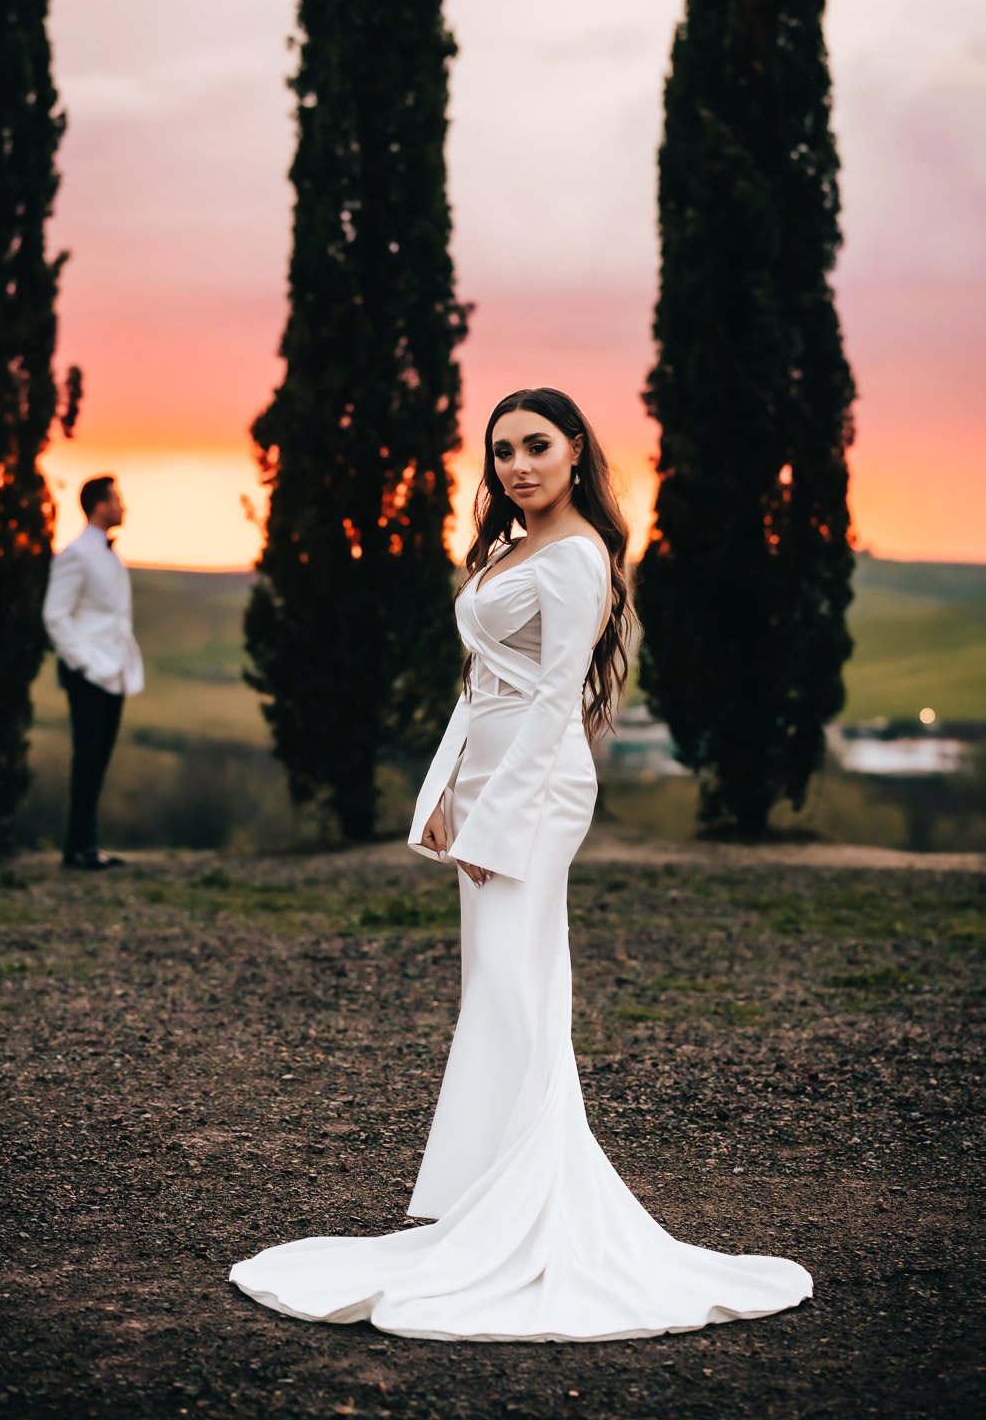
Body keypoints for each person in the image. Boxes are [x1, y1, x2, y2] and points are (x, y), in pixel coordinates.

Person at [230, 388, 812, 1340]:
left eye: (536, 445)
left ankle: (534, 1215)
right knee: (501, 988)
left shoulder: (578, 556)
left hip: (538, 791)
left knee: (515, 986)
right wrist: (447, 790)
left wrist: (496, 819)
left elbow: (552, 702)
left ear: (576, 449)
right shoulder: (514, 547)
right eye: (501, 451)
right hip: (498, 775)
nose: (517, 465)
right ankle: (494, 1196)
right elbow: (483, 685)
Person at [42, 476, 143, 870]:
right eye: (117, 499)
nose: (123, 507)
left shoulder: (109, 556)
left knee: (98, 761)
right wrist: (83, 663)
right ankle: (77, 849)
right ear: (100, 505)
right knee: (86, 760)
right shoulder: (75, 555)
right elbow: (54, 614)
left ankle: (87, 845)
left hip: (114, 673)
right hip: (89, 674)